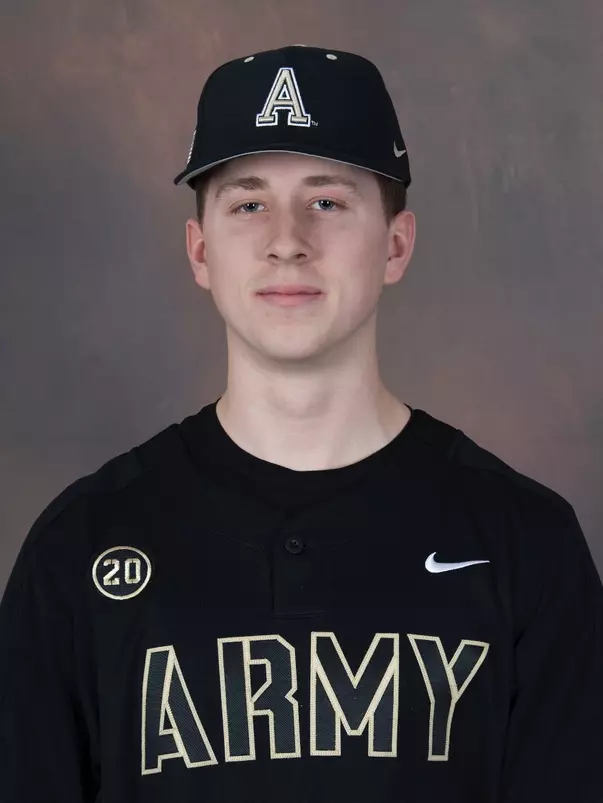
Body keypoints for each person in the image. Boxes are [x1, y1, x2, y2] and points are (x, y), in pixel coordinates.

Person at [1, 44, 602, 803]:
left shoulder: (526, 546)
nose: (286, 241)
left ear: (395, 245)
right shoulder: (81, 544)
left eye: (327, 202)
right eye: (248, 204)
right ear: (200, 251)